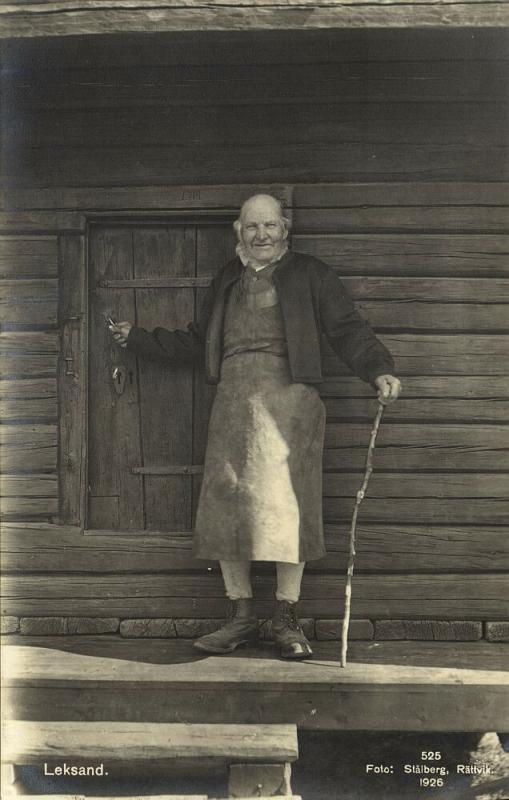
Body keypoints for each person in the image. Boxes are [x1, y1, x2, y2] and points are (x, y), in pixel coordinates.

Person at [110, 193, 401, 659]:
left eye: (269, 226)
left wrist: (378, 369)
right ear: (238, 232)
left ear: (285, 230)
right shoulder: (228, 278)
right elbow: (197, 339)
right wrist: (139, 339)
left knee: (290, 508)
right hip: (233, 405)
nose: (261, 235)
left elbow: (347, 329)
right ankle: (241, 618)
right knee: (228, 506)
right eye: (251, 227)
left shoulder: (311, 273)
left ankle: (285, 620)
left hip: (292, 405)